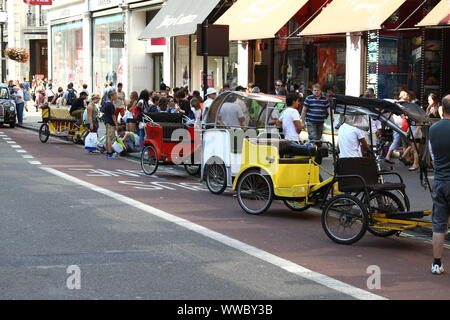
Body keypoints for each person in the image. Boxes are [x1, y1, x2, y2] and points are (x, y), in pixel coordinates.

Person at [429, 94, 450, 275]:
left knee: (439, 225)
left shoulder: (433, 129)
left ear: (442, 109)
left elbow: (434, 158)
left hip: (440, 181)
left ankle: (436, 264)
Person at [103, 90, 120, 159]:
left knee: (108, 137)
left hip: (107, 122)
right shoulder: (111, 104)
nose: (116, 96)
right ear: (111, 96)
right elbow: (113, 116)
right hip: (110, 122)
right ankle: (109, 153)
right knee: (110, 138)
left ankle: (108, 152)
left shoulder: (106, 104)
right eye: (115, 95)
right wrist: (116, 124)